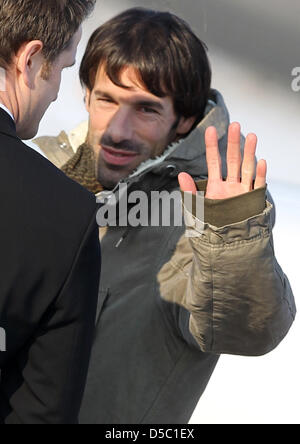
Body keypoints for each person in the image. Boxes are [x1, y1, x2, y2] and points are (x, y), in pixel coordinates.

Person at [35, 8, 296, 424]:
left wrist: (232, 235)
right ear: (85, 96)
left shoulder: (207, 214)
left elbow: (248, 330)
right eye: (107, 99)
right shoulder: (39, 174)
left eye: (146, 109)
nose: (118, 129)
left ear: (184, 119)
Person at [0, 0, 101, 424]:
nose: (58, 88)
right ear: (30, 59)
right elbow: (43, 412)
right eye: (62, 67)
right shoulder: (69, 215)